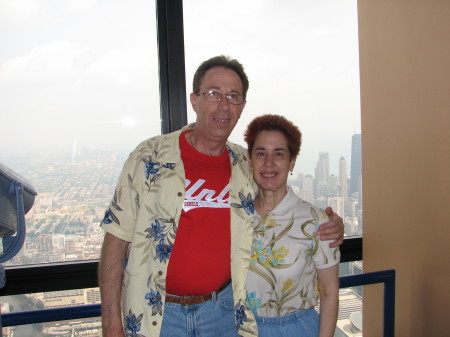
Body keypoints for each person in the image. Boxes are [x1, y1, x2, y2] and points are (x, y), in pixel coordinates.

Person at [98, 56, 344, 337]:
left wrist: (332, 224)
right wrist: (111, 324)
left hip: (223, 315)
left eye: (233, 96)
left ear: (242, 106)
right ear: (195, 100)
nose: (223, 105)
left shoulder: (244, 164)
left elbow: (278, 200)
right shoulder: (149, 157)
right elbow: (116, 238)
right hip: (158, 315)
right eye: (214, 94)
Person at [244, 114, 340, 337]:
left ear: (292, 162)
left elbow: (329, 292)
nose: (269, 163)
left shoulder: (316, 221)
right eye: (261, 154)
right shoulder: (237, 215)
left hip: (296, 329)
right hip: (241, 328)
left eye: (279, 154)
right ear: (250, 160)